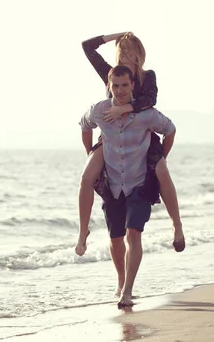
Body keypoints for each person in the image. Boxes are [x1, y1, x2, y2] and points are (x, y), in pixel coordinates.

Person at [75, 32, 184, 257]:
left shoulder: (147, 76)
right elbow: (87, 47)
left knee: (161, 169)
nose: (125, 54)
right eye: (121, 50)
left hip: (144, 135)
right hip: (112, 136)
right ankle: (83, 231)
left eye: (129, 50)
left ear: (139, 53)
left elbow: (150, 101)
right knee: (87, 176)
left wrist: (124, 109)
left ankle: (176, 224)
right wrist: (118, 34)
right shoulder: (111, 73)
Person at [78, 65, 177, 307]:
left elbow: (170, 129)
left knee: (134, 233)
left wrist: (160, 158)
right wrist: (90, 152)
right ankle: (120, 281)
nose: (120, 90)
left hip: (139, 184)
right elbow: (84, 124)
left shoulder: (147, 114)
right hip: (112, 184)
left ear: (133, 85)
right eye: (116, 86)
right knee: (115, 239)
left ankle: (128, 291)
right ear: (109, 86)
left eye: (125, 85)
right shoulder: (99, 110)